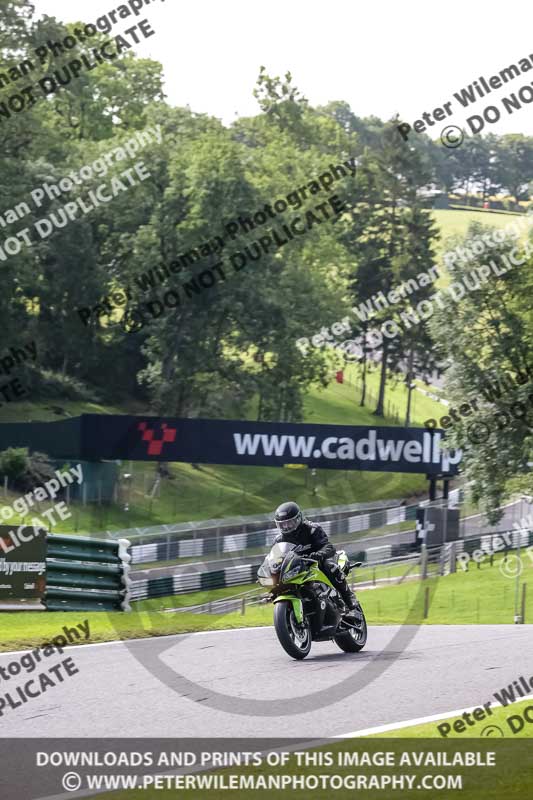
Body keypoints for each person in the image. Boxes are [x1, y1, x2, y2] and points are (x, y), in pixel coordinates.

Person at [273, 501, 357, 610]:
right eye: (282, 524)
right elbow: (275, 558)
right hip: (296, 567)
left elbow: (328, 546)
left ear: (298, 519)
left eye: (289, 523)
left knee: (330, 566)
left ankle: (348, 596)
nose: (286, 527)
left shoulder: (312, 529)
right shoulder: (279, 540)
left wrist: (319, 554)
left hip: (317, 562)